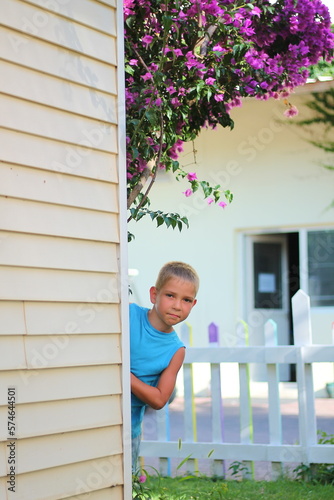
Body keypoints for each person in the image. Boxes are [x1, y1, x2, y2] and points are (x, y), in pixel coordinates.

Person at [130, 261, 199, 473]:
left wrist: (124, 375)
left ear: (193, 304)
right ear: (154, 295)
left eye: (186, 300)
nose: (177, 305)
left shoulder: (176, 350)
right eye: (170, 295)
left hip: (127, 431)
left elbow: (160, 399)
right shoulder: (128, 315)